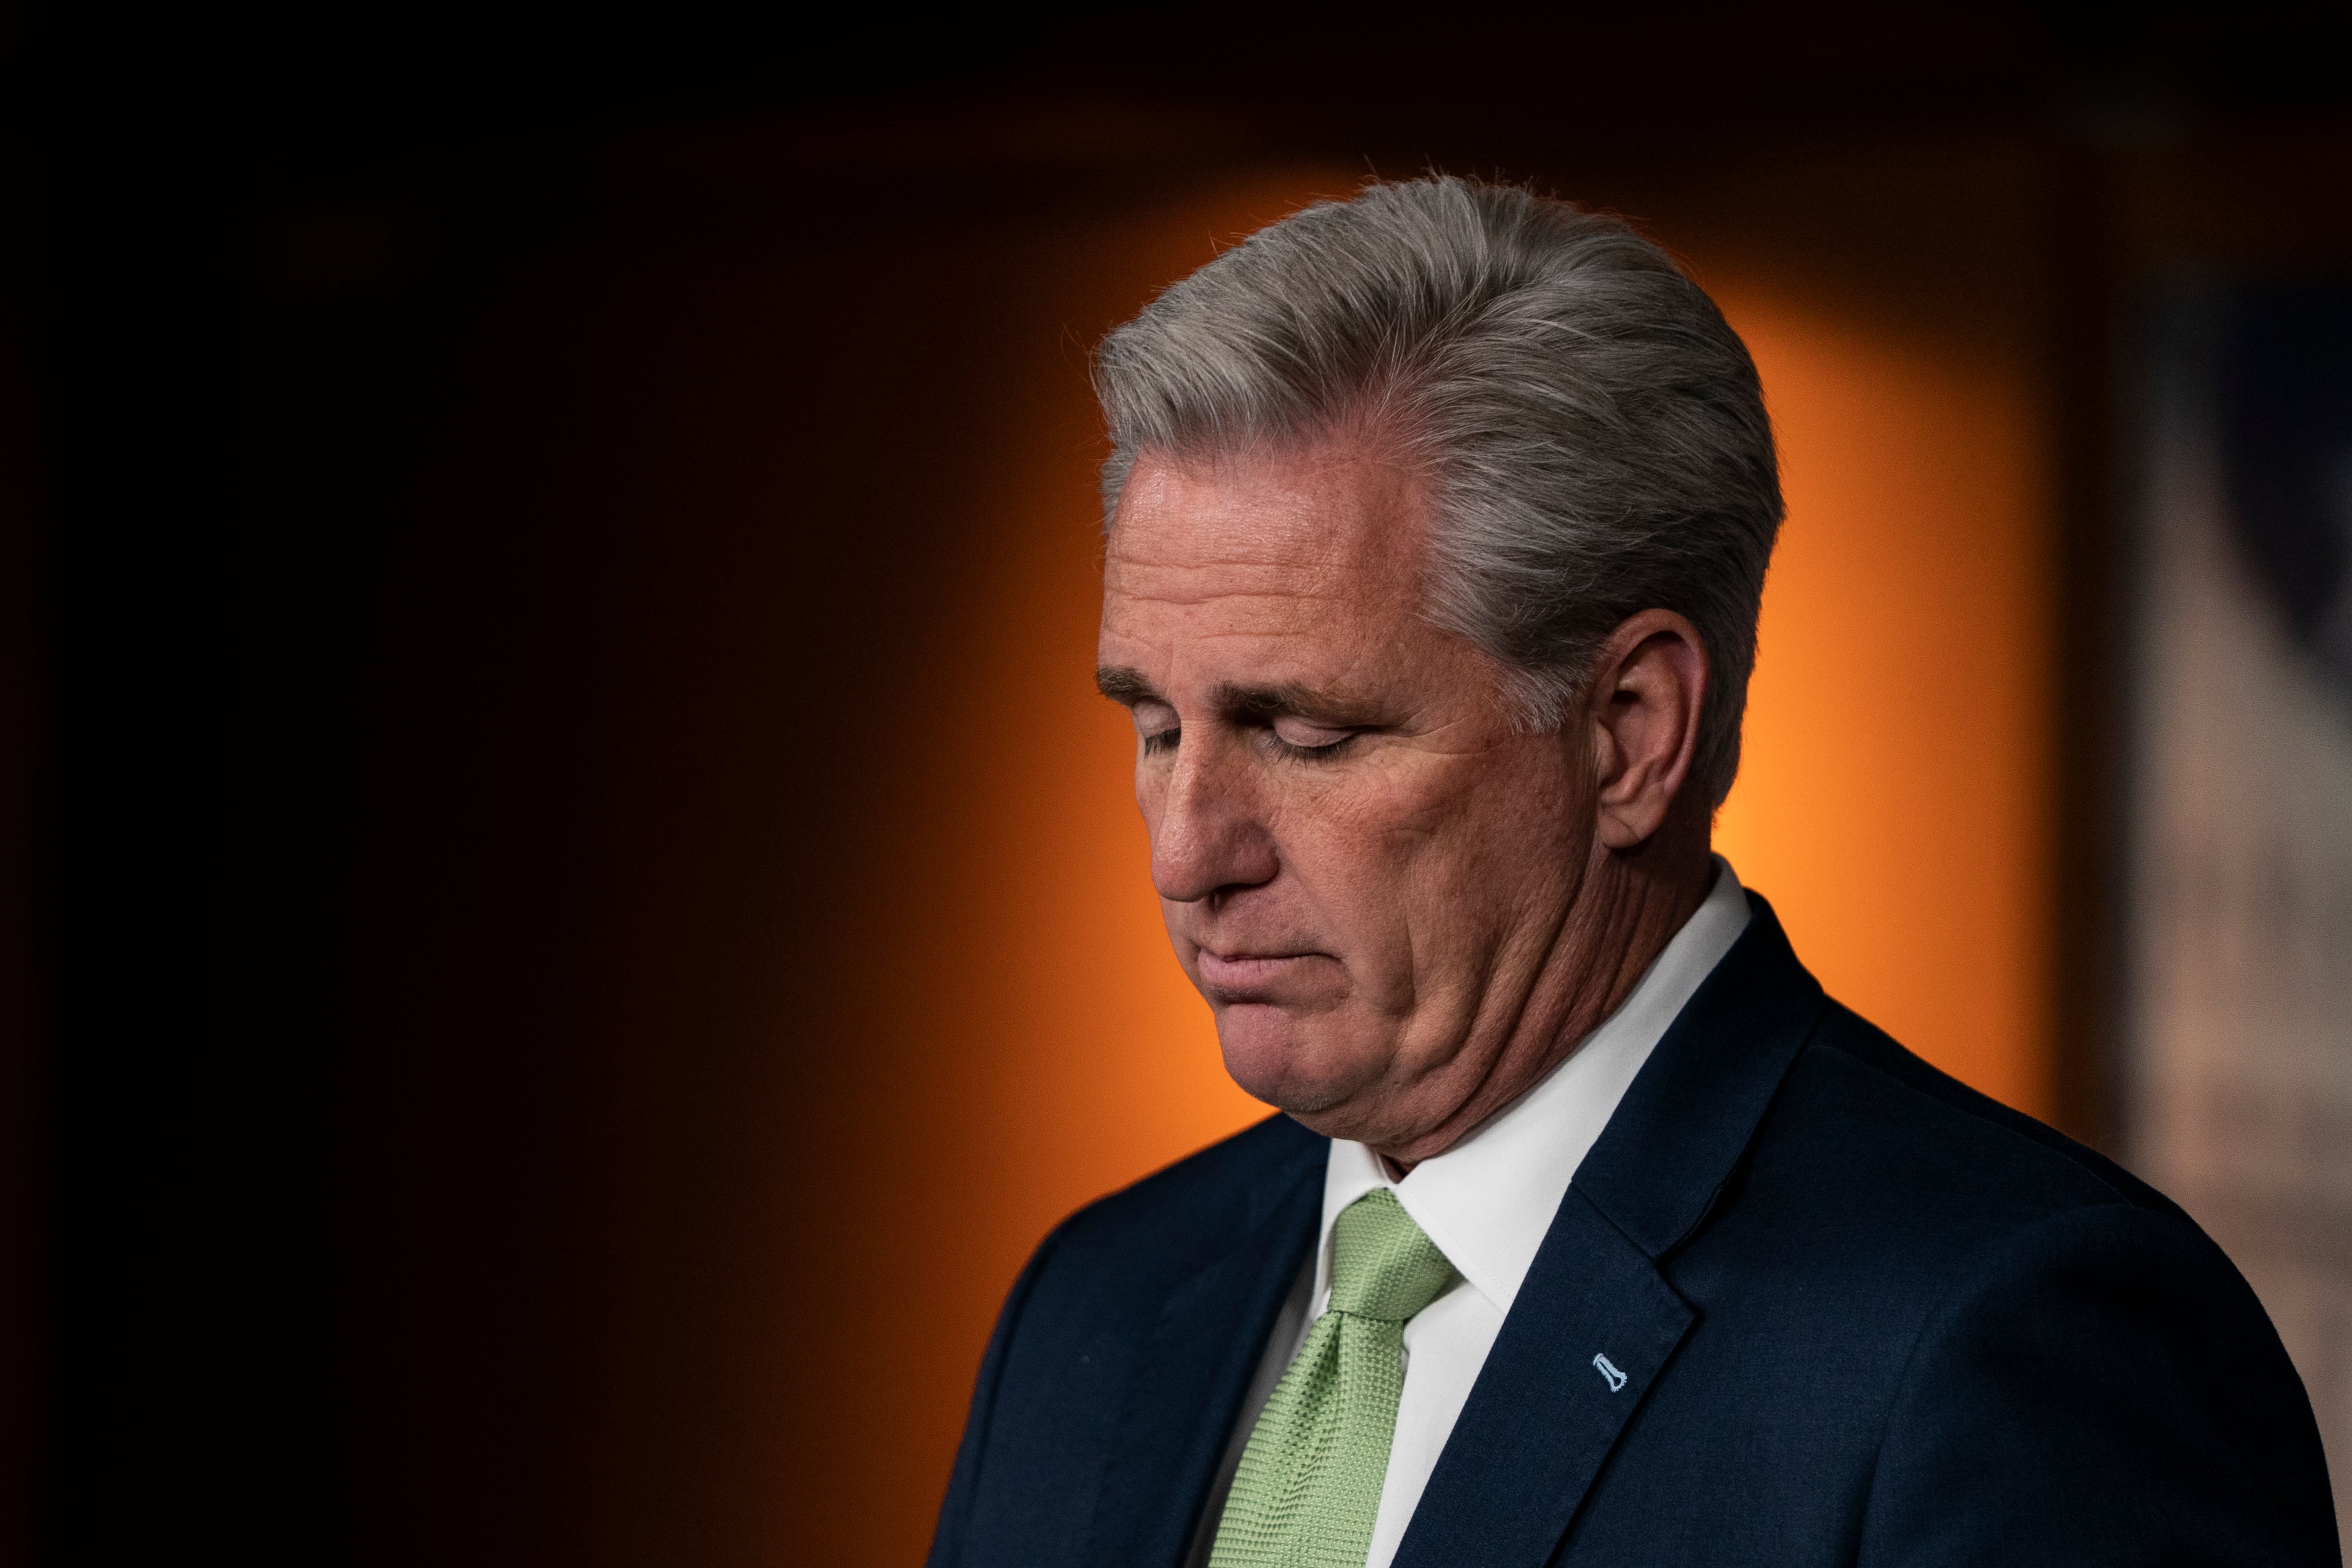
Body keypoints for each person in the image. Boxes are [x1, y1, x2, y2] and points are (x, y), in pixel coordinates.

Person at [923, 177, 2337, 1568]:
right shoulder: (1094, 1305)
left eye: (1301, 732)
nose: (1186, 851)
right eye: (1155, 726)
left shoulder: (2002, 1343)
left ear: (1626, 734)